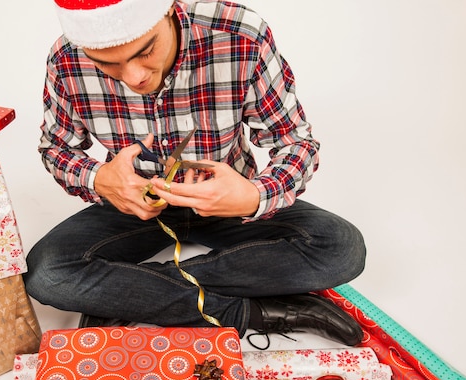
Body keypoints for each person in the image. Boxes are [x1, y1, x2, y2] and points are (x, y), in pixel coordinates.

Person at [23, 0, 367, 348]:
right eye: (106, 65)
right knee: (46, 273)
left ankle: (128, 292)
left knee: (342, 247)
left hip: (230, 206)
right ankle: (256, 313)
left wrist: (253, 196)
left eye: (146, 51)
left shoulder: (240, 34)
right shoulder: (66, 58)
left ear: (169, 10)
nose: (134, 77)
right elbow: (55, 148)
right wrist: (99, 179)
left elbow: (297, 143)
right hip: (133, 207)